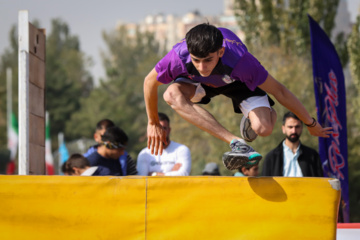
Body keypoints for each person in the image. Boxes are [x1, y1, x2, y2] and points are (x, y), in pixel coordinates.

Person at [143, 23, 332, 170]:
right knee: (171, 94)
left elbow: (280, 91)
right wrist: (153, 122)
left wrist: (310, 123)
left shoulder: (243, 62)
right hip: (198, 85)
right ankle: (236, 142)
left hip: (237, 83)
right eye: (196, 61)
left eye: (208, 60)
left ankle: (258, 114)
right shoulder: (177, 57)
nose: (202, 67)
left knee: (264, 128)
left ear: (221, 52)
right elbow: (149, 82)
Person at [261, 112, 324, 177]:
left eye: (297, 127)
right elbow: (265, 184)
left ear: (301, 128)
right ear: (283, 129)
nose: (294, 131)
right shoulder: (272, 157)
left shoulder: (312, 156)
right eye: (290, 127)